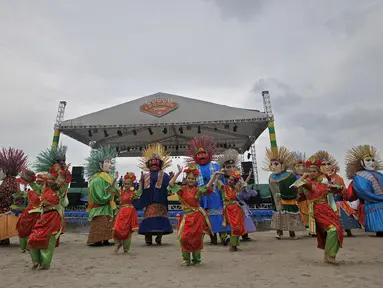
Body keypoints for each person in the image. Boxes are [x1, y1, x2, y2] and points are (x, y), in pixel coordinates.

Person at [20, 156, 71, 269]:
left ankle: (45, 263)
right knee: (33, 237)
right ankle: (36, 260)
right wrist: (31, 181)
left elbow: (65, 181)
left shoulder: (60, 190)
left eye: (53, 179)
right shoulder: (44, 189)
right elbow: (36, 188)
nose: (50, 180)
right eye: (49, 178)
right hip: (43, 217)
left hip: (54, 217)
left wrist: (64, 172)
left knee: (48, 240)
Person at [291, 156, 344, 265]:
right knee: (332, 230)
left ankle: (329, 255)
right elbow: (296, 186)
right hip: (317, 211)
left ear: (319, 172)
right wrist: (304, 176)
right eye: (309, 171)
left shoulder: (324, 183)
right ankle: (329, 256)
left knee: (337, 230)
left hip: (328, 210)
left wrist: (337, 189)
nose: (312, 173)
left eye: (314, 171)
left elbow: (336, 190)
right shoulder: (308, 184)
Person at [186, 135, 230, 245]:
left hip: (215, 195)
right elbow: (190, 183)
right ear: (196, 157)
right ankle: (212, 237)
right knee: (205, 217)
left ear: (209, 155)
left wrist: (224, 195)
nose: (201, 156)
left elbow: (222, 182)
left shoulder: (215, 166)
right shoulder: (193, 168)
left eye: (204, 153)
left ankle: (223, 236)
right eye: (199, 154)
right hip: (201, 196)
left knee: (219, 215)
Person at [168, 164, 214, 266]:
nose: (190, 180)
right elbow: (171, 183)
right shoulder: (181, 190)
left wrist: (214, 176)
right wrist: (179, 172)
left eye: (193, 179)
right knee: (184, 238)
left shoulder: (198, 190)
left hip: (197, 217)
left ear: (195, 179)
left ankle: (197, 260)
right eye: (189, 178)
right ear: (186, 178)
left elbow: (207, 187)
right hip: (186, 218)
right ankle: (186, 260)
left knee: (197, 238)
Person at [133, 143, 173, 245]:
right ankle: (148, 237)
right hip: (149, 202)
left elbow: (169, 188)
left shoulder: (165, 175)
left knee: (161, 220)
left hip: (161, 202)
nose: (154, 163)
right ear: (148, 164)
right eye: (151, 162)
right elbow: (140, 190)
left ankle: (159, 237)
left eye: (156, 162)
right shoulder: (145, 176)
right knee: (149, 219)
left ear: (160, 163)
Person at [264, 147, 305, 239]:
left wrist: (285, 196)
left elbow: (293, 189)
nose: (273, 166)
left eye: (276, 164)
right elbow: (271, 190)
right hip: (277, 201)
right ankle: (279, 233)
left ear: (282, 165)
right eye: (271, 164)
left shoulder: (289, 176)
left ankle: (292, 234)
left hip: (288, 200)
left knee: (289, 216)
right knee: (279, 217)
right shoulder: (271, 177)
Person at [217, 149, 257, 241]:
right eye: (228, 167)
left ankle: (244, 234)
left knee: (243, 214)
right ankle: (228, 236)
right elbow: (218, 187)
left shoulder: (238, 179)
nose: (231, 168)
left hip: (238, 202)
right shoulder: (221, 179)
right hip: (225, 203)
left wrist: (249, 175)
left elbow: (243, 186)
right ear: (224, 168)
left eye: (232, 166)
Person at [344, 145, 383, 237]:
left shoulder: (380, 174)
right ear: (362, 163)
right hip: (373, 204)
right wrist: (379, 198)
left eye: (373, 160)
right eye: (368, 160)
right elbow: (364, 192)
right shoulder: (359, 176)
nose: (371, 163)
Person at [85, 146, 119, 246]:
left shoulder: (108, 178)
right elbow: (99, 197)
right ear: (100, 165)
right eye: (107, 162)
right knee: (100, 223)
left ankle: (106, 239)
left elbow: (113, 190)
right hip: (100, 208)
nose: (110, 165)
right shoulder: (97, 180)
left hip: (107, 207)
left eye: (110, 162)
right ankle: (98, 240)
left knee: (107, 224)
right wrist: (110, 194)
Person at [0, 147, 28, 245]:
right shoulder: (15, 181)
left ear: (5, 171)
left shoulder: (6, 182)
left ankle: (3, 239)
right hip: (12, 207)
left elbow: (3, 195)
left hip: (5, 207)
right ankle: (4, 239)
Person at [214, 168, 247, 251]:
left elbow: (243, 184)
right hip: (228, 209)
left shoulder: (236, 189)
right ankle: (232, 246)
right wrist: (220, 173)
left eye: (232, 180)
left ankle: (235, 245)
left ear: (235, 182)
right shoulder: (224, 188)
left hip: (236, 209)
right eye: (229, 179)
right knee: (234, 227)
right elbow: (217, 182)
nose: (230, 181)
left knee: (239, 227)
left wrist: (238, 175)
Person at [113, 172, 140, 254]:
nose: (126, 185)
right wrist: (115, 178)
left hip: (130, 212)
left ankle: (126, 248)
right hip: (121, 212)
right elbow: (112, 187)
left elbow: (141, 191)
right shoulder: (121, 192)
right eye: (125, 183)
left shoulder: (133, 194)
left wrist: (142, 180)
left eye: (128, 184)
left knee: (128, 230)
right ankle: (118, 244)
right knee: (116, 228)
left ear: (131, 184)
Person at [291, 151, 313, 236]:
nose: (301, 168)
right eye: (298, 166)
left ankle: (312, 229)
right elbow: (295, 186)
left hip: (310, 199)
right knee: (304, 215)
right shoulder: (293, 177)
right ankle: (309, 230)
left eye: (303, 166)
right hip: (300, 200)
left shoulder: (310, 177)